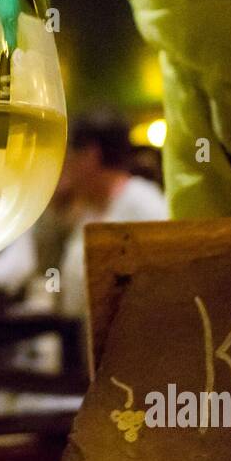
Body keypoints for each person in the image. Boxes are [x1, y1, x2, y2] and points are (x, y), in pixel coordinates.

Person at [54, 109, 169, 315]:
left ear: (91, 155)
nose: (65, 164)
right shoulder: (88, 210)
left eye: (70, 154)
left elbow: (165, 284)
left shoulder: (143, 203)